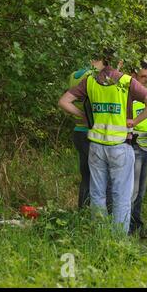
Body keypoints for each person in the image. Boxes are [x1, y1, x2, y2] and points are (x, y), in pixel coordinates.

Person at [58, 48, 147, 233]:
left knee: (97, 193)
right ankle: (119, 239)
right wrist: (135, 121)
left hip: (96, 146)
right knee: (121, 195)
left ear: (101, 61)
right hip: (120, 146)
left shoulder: (90, 81)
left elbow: (64, 101)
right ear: (119, 62)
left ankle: (100, 234)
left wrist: (84, 116)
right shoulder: (126, 82)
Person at [129, 59, 147, 236]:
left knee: (141, 191)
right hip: (133, 145)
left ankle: (137, 225)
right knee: (133, 190)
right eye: (142, 76)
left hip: (145, 146)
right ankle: (127, 227)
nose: (146, 80)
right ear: (133, 76)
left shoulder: (146, 95)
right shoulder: (128, 96)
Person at [67, 68, 92, 209]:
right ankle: (87, 212)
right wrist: (85, 116)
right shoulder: (91, 76)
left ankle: (82, 212)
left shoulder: (73, 75)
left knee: (86, 176)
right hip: (88, 132)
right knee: (94, 177)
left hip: (78, 131)